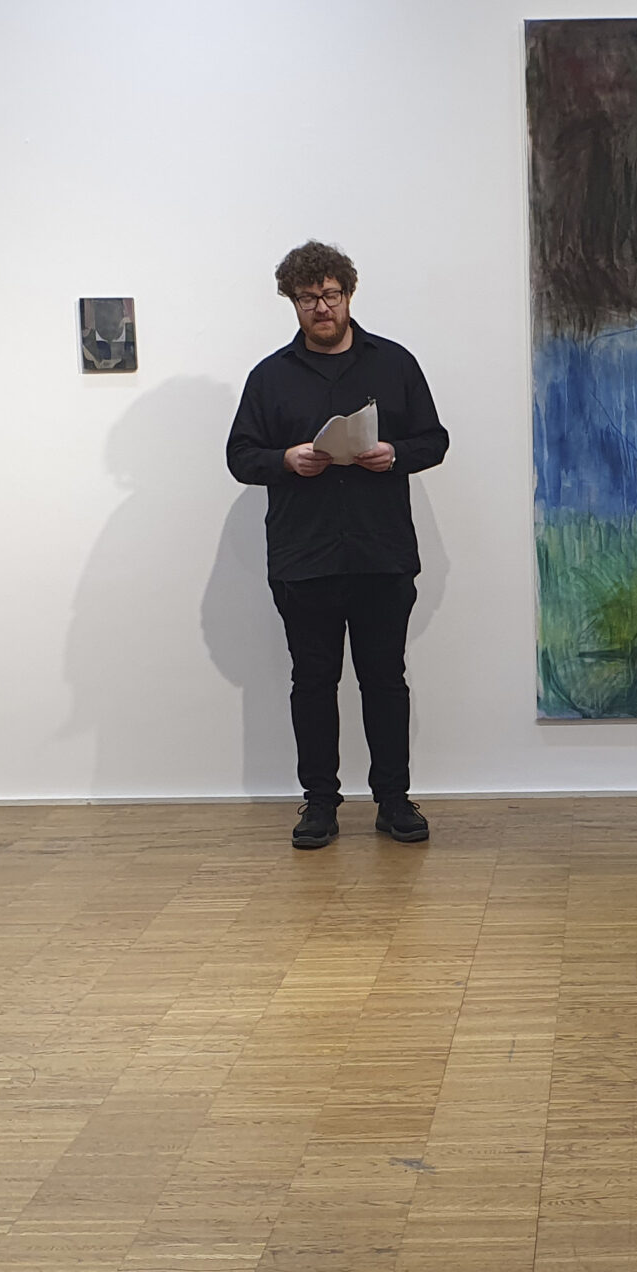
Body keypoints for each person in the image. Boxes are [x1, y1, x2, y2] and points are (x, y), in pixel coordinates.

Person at [227, 242, 450, 848]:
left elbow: (434, 440)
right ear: (292, 303)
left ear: (349, 294)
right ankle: (319, 803)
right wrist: (286, 459)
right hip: (305, 557)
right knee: (312, 682)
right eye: (308, 298)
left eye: (330, 294)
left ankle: (394, 800)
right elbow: (240, 456)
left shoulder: (394, 364)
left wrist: (395, 453)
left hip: (382, 553)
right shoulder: (270, 376)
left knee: (385, 681)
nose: (321, 308)